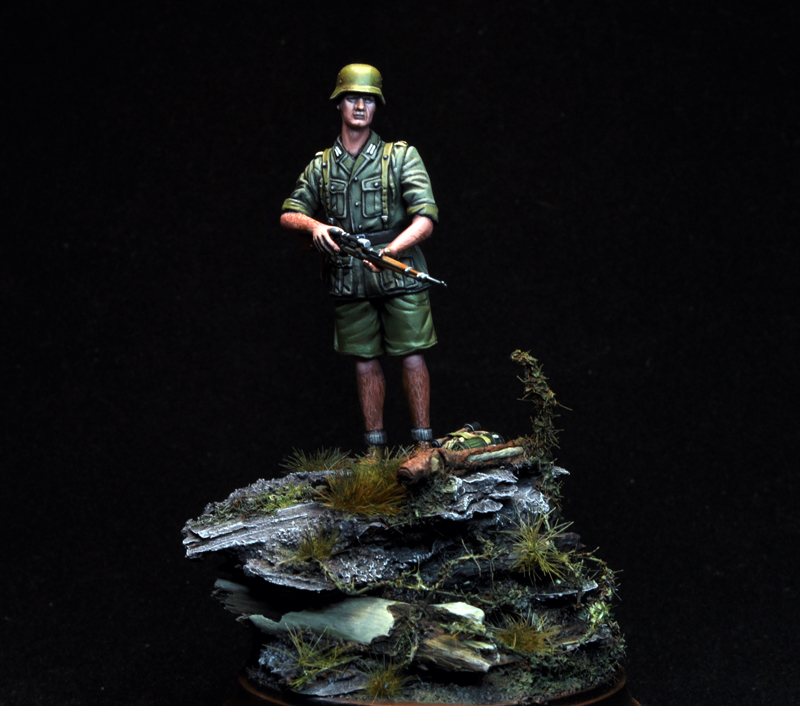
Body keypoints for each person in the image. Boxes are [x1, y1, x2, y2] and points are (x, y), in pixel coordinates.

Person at [280, 64, 439, 453]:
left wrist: (393, 251)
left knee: (412, 355)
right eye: (352, 97)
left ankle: (423, 445)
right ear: (339, 103)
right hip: (349, 276)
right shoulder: (321, 166)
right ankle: (374, 451)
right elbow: (289, 213)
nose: (360, 106)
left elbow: (425, 218)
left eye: (368, 99)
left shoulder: (399, 157)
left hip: (400, 273)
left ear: (377, 106)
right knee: (364, 362)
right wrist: (315, 227)